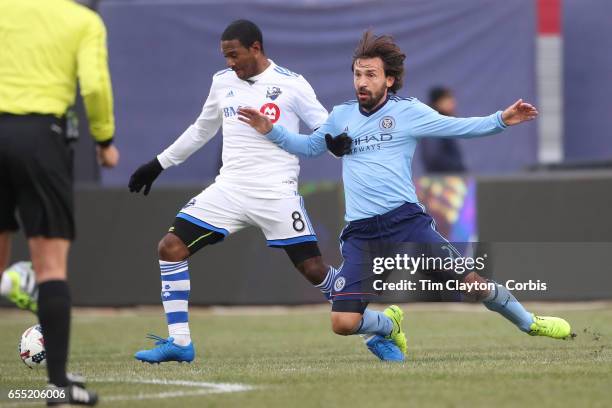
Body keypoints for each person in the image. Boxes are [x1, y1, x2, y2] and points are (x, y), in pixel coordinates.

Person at [238, 30, 572, 361]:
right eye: (357, 74)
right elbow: (310, 147)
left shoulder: (408, 112)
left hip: (407, 221)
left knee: (472, 283)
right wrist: (272, 131)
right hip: (362, 233)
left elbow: (459, 127)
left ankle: (530, 323)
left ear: (390, 80)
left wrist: (501, 120)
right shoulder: (340, 116)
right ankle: (387, 324)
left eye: (371, 74)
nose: (362, 82)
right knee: (342, 323)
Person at [128, 20, 341, 363]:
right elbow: (201, 130)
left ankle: (377, 322)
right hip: (229, 189)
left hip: (276, 192)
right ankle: (180, 343)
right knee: (170, 247)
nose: (230, 63)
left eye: (234, 55)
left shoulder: (292, 84)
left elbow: (326, 130)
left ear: (255, 48)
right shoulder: (222, 82)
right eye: (225, 56)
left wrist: (340, 145)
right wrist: (159, 163)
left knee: (315, 270)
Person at [0, 0, 118, 405]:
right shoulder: (82, 20)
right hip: (40, 138)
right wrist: (104, 140)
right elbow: (96, 87)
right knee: (50, 267)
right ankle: (58, 387)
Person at [419, 87, 467, 173]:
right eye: (448, 98)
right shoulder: (432, 125)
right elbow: (433, 157)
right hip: (442, 183)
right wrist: (458, 169)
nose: (453, 102)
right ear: (437, 102)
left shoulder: (441, 124)